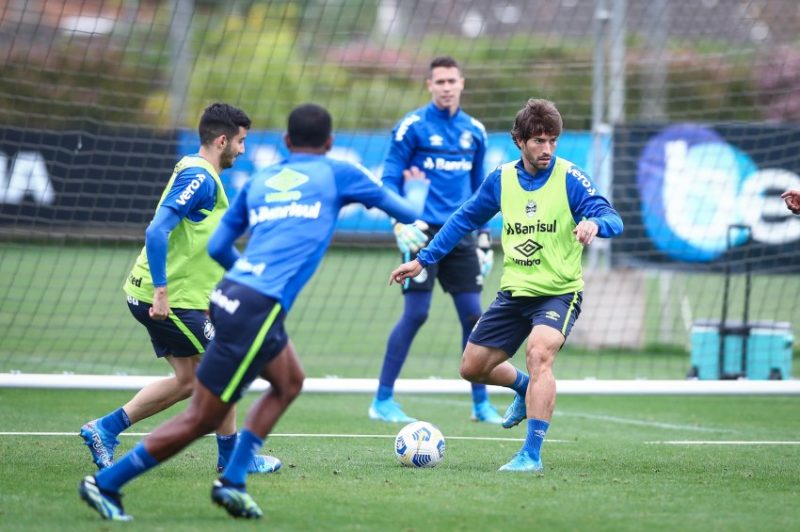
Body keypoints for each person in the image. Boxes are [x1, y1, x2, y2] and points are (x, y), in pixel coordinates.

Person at [78, 103, 427, 521]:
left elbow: (218, 247)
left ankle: (234, 479)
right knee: (201, 416)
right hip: (254, 307)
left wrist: (247, 276)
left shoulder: (259, 180)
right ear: (330, 143)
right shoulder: (340, 173)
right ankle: (107, 484)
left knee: (289, 380)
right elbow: (407, 212)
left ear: (285, 143)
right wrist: (415, 196)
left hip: (232, 297)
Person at [389, 98, 623, 472]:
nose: (546, 149)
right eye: (538, 141)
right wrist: (423, 259)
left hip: (559, 291)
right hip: (514, 292)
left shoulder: (570, 178)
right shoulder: (502, 179)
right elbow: (463, 219)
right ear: (519, 141)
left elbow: (612, 217)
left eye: (552, 141)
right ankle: (522, 387)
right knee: (472, 367)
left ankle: (531, 453)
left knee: (539, 352)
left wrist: (596, 224)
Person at [79, 102, 280, 476]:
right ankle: (233, 459)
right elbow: (157, 230)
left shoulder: (201, 173)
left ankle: (104, 429)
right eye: (241, 141)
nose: (243, 149)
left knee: (190, 381)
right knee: (227, 367)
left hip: (170, 297)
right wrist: (161, 291)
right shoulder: (199, 177)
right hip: (168, 300)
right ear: (223, 140)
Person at [369, 55, 502, 424]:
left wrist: (484, 237)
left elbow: (482, 193)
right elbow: (389, 180)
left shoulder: (474, 131)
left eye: (452, 81)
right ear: (429, 85)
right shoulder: (411, 126)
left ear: (462, 83)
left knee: (474, 316)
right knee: (417, 313)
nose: (446, 87)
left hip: (460, 233)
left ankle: (480, 405)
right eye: (439, 81)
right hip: (420, 232)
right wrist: (399, 223)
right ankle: (382, 400)